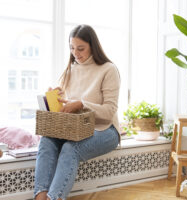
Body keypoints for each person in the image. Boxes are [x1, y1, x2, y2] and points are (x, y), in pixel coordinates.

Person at [34, 24, 121, 200]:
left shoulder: (108, 69)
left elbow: (109, 111)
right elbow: (67, 106)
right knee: (47, 141)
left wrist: (81, 104)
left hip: (106, 130)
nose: (76, 53)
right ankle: (40, 197)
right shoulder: (71, 69)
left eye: (81, 48)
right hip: (75, 130)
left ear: (92, 46)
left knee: (70, 148)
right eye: (72, 48)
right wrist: (56, 97)